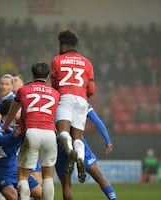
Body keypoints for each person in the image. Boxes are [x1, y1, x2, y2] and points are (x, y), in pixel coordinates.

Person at [2, 62, 60, 200]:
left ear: (32, 75)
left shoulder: (23, 90)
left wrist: (5, 125)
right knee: (48, 177)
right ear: (48, 76)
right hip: (50, 133)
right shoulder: (56, 93)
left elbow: (12, 112)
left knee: (22, 176)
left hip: (32, 132)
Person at [51, 29, 95, 183]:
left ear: (63, 45)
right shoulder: (87, 62)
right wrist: (83, 97)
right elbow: (92, 89)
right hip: (82, 100)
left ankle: (70, 152)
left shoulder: (57, 60)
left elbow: (55, 85)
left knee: (63, 133)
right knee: (78, 139)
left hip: (65, 96)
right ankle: (80, 158)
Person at [55, 105, 118, 200]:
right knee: (100, 178)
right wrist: (107, 140)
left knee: (66, 187)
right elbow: (97, 121)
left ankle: (71, 151)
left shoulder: (57, 100)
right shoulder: (82, 101)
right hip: (79, 141)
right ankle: (113, 199)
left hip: (61, 144)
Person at [0, 99, 42, 200]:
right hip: (0, 172)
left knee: (41, 194)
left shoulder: (17, 127)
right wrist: (12, 136)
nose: (21, 112)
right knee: (13, 196)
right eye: (18, 110)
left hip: (17, 171)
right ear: (11, 112)